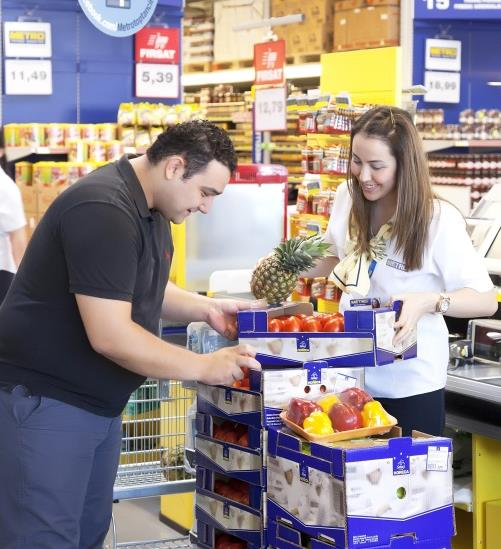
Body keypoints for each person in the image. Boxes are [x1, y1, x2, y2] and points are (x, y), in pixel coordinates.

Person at [0, 120, 261, 549]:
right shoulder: (103, 208)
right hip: (47, 405)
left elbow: (139, 286)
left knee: (85, 535)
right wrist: (203, 367)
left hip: (96, 407)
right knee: (43, 538)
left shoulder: (152, 209)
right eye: (206, 192)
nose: (207, 207)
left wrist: (207, 307)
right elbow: (112, 336)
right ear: (176, 167)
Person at [311, 106, 497, 437]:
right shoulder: (347, 197)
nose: (363, 175)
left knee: (403, 486)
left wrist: (429, 300)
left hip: (409, 385)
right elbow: (332, 254)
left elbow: (485, 300)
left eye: (377, 166)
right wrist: (286, 263)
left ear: (404, 165)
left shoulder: (436, 219)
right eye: (357, 161)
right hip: (348, 376)